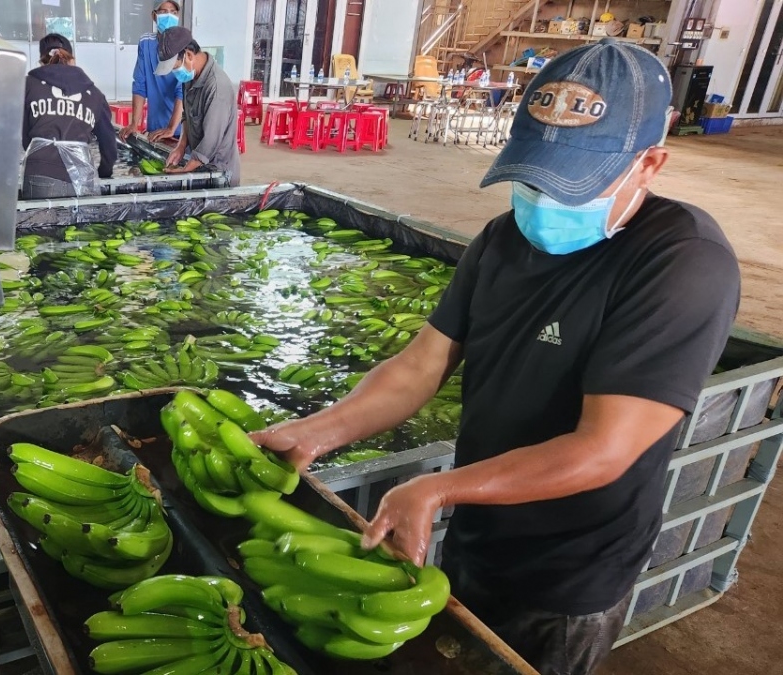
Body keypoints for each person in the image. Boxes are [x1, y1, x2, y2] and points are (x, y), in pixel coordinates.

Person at [251, 39, 740, 675]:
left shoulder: (683, 262)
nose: (544, 200)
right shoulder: (504, 238)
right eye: (535, 175)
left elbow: (604, 448)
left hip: (568, 573)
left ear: (649, 163)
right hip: (479, 530)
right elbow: (420, 366)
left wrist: (438, 487)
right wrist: (317, 431)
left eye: (575, 183)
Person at [22, 33, 118, 200]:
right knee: (81, 226)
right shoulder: (94, 94)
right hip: (82, 174)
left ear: (42, 61)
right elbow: (109, 143)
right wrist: (105, 172)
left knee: (41, 225)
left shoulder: (28, 84)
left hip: (40, 171)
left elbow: (23, 135)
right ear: (72, 59)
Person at [155, 27, 241, 187]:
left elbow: (211, 141)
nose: (175, 73)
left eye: (175, 67)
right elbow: (187, 115)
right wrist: (181, 146)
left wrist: (185, 171)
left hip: (219, 173)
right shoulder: (190, 77)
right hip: (199, 164)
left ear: (188, 55)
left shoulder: (216, 87)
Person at [119, 0, 185, 143]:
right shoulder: (146, 43)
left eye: (173, 12)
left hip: (181, 129)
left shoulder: (184, 44)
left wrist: (171, 128)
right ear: (154, 16)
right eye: (163, 11)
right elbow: (140, 84)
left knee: (176, 163)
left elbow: (182, 90)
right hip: (155, 126)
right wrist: (134, 124)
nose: (169, 16)